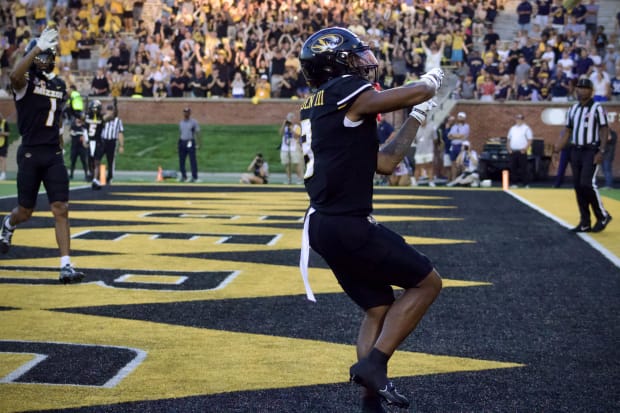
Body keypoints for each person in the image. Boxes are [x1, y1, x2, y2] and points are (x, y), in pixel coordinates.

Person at [298, 27, 443, 412]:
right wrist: (428, 83)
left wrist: (416, 117)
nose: (362, 60)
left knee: (378, 308)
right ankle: (374, 366)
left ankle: (369, 401)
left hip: (325, 225)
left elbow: (385, 162)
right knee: (428, 283)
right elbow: (416, 90)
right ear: (335, 63)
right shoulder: (341, 90)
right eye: (353, 54)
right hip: (347, 222)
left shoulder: (320, 102)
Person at [0, 27, 84, 283]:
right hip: (30, 154)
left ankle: (66, 265)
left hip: (53, 154)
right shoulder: (24, 82)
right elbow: (15, 75)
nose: (48, 58)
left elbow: (56, 119)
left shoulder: (58, 85)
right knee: (25, 211)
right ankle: (8, 224)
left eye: (50, 53)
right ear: (34, 55)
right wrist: (36, 47)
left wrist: (59, 142)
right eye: (44, 54)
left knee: (61, 208)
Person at [555, 77, 612, 233]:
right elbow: (567, 130)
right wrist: (557, 148)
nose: (582, 90)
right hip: (576, 150)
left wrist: (601, 150)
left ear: (591, 91)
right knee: (578, 186)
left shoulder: (597, 107)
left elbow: (604, 129)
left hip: (590, 150)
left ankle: (603, 215)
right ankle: (585, 222)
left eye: (585, 88)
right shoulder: (573, 109)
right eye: (579, 87)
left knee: (587, 183)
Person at [507, 113, 533, 188]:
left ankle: (525, 184)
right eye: (517, 119)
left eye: (520, 119)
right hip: (513, 151)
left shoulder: (526, 128)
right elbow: (508, 139)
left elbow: (530, 140)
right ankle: (514, 183)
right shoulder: (512, 128)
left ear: (522, 120)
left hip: (522, 151)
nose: (518, 120)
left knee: (523, 168)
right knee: (513, 167)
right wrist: (509, 149)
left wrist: (525, 149)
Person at [100, 104, 124, 184]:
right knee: (97, 158)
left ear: (114, 111)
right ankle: (95, 175)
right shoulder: (103, 119)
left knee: (110, 160)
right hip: (103, 141)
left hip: (112, 141)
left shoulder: (118, 121)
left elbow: (120, 133)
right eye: (108, 110)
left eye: (111, 110)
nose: (109, 112)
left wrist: (121, 145)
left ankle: (110, 177)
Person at [84, 99, 105, 189]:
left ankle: (95, 179)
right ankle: (93, 176)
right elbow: (85, 129)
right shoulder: (88, 117)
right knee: (91, 161)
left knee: (96, 161)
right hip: (92, 141)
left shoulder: (101, 117)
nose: (94, 110)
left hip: (97, 141)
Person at [178, 107, 200, 182]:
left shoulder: (193, 122)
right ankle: (184, 176)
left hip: (190, 141)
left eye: (187, 112)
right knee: (181, 160)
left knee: (192, 159)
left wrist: (198, 143)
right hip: (182, 141)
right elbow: (181, 133)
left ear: (190, 113)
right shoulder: (181, 122)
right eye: (184, 112)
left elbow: (197, 133)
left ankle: (194, 176)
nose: (186, 113)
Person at [279, 112, 302, 184]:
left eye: (292, 118)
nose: (290, 120)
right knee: (287, 164)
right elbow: (280, 133)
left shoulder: (297, 127)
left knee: (296, 163)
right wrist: (283, 125)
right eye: (289, 118)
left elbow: (297, 136)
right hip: (284, 148)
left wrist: (291, 128)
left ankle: (299, 179)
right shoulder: (285, 127)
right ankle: (288, 179)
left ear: (294, 119)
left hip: (294, 148)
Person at [448, 112, 470, 182]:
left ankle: (463, 179)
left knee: (462, 163)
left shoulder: (466, 126)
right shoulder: (454, 126)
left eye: (461, 117)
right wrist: (457, 136)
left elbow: (463, 136)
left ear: (464, 118)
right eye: (459, 117)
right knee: (453, 163)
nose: (459, 118)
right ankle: (453, 179)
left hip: (461, 146)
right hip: (454, 146)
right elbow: (449, 136)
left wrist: (454, 136)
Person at [68, 112, 89, 181]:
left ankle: (86, 175)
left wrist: (85, 141)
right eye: (77, 118)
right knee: (73, 161)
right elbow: (71, 133)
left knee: (84, 161)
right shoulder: (73, 126)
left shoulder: (84, 127)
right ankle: (71, 174)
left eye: (79, 118)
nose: (78, 120)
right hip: (74, 147)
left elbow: (86, 136)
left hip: (82, 147)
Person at [0, 111, 9, 180]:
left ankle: (3, 174)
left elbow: (8, 133)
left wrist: (1, 133)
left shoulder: (4, 122)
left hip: (3, 144)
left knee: (2, 159)